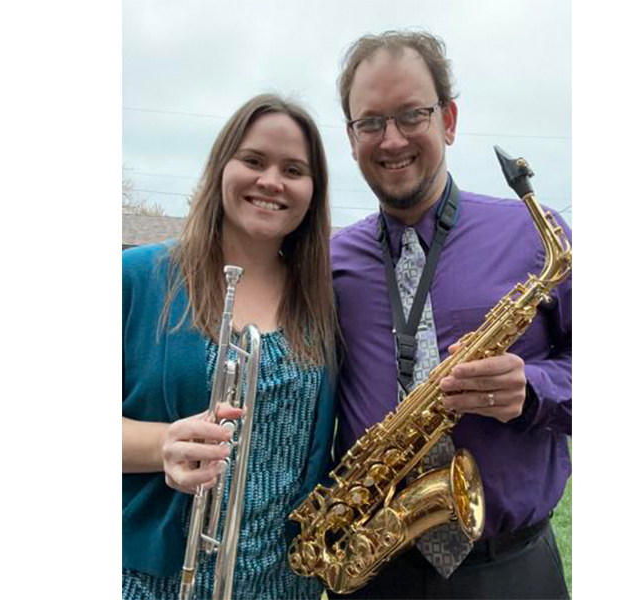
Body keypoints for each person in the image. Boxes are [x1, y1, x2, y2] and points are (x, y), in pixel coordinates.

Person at [328, 30, 573, 599]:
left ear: (449, 119)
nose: (391, 140)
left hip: (512, 569)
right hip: (374, 568)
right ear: (351, 136)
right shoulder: (332, 261)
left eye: (412, 114)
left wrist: (533, 389)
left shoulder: (536, 236)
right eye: (371, 122)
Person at [121, 93, 338, 600]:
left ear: (313, 191)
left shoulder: (324, 303)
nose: (271, 181)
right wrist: (163, 446)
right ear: (222, 166)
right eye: (254, 160)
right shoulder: (137, 279)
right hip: (152, 583)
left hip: (287, 585)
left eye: (294, 169)